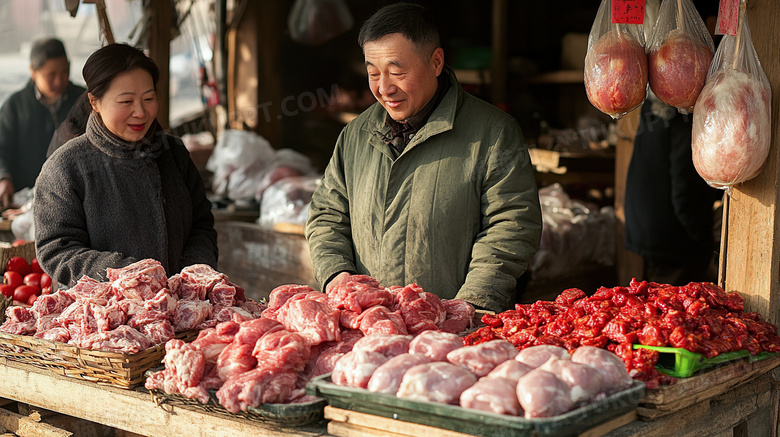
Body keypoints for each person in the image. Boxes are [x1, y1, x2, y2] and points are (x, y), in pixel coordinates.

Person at [306, 3, 542, 313]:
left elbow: (511, 225)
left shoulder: (494, 133)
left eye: (397, 72)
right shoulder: (356, 135)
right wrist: (338, 277)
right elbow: (326, 214)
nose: (384, 88)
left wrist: (468, 307)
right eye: (373, 73)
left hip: (453, 333)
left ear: (436, 62)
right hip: (367, 327)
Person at [34, 43, 218, 285]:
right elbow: (56, 249)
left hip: (178, 306)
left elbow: (202, 225)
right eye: (126, 101)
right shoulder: (66, 167)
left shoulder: (174, 154)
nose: (140, 112)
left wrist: (188, 280)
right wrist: (131, 276)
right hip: (103, 314)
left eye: (149, 98)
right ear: (94, 102)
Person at [624, 93, 721, 285]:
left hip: (647, 226)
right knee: (672, 309)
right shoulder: (684, 115)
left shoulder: (657, 102)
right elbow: (686, 192)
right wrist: (705, 239)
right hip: (673, 239)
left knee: (652, 305)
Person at [0, 38, 86, 207]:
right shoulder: (15, 105)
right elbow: (2, 148)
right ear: (33, 72)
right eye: (51, 75)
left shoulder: (84, 101)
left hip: (75, 197)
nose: (59, 81)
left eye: (64, 72)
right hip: (25, 200)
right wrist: (3, 177)